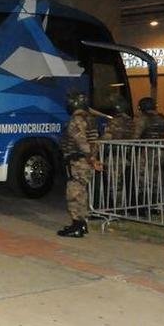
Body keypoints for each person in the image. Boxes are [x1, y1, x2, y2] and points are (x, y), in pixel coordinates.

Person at [58, 91, 102, 237]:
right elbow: (94, 141)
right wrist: (93, 159)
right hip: (86, 161)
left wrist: (91, 159)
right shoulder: (90, 118)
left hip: (78, 161)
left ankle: (77, 225)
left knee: (73, 193)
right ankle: (82, 224)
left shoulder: (77, 119)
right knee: (82, 193)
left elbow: (81, 141)